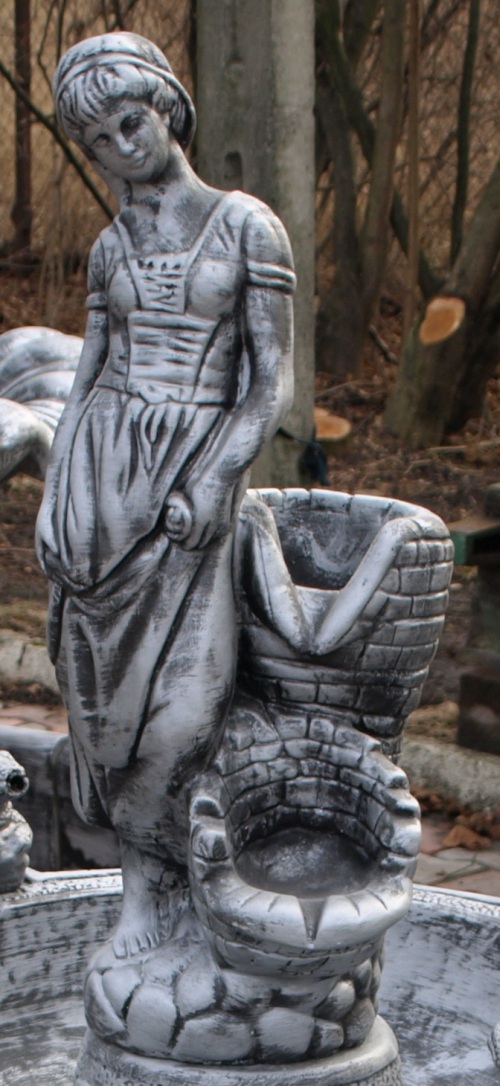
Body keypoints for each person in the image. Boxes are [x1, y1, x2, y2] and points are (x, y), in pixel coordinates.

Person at [35, 32, 295, 958]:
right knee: (102, 715)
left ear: (168, 108)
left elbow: (270, 382)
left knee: (189, 708)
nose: (120, 146)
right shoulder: (110, 249)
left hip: (192, 497)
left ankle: (213, 878)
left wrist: (216, 476)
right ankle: (144, 892)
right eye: (98, 140)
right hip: (107, 493)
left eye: (130, 121)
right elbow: (87, 382)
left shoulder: (246, 226)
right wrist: (57, 496)